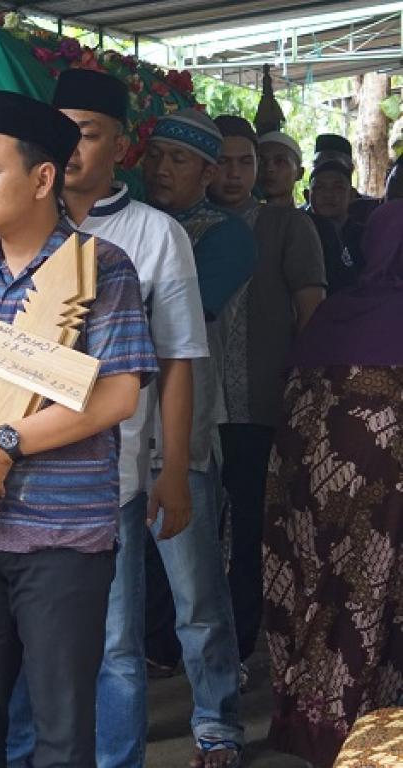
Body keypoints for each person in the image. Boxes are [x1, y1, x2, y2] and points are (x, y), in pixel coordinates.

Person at [0, 89, 155, 768]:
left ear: (43, 178)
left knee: (61, 731)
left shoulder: (101, 268)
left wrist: (6, 443)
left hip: (65, 539)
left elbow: (117, 396)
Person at [3, 69, 221, 768]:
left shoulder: (155, 235)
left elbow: (179, 360)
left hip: (116, 472)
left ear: (121, 146)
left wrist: (175, 469)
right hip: (20, 471)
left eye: (89, 134)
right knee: (24, 640)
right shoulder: (13, 227)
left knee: (117, 646)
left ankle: (129, 756)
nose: (71, 147)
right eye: (60, 132)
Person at [262, 200, 403, 767]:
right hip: (383, 508)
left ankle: (321, 727)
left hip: (312, 503)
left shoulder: (331, 316)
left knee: (325, 606)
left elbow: (293, 425)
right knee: (377, 608)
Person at [141, 109, 256, 766]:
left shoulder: (226, 237)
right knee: (113, 601)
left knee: (197, 596)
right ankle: (116, 723)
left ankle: (217, 722)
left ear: (209, 173)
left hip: (181, 440)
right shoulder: (125, 220)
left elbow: (169, 316)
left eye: (178, 159)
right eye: (155, 154)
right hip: (106, 437)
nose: (161, 168)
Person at [210, 114, 326, 672]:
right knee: (196, 531)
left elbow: (312, 316)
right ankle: (179, 644)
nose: (234, 174)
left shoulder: (285, 226)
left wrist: (303, 398)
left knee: (251, 530)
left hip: (260, 405)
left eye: (246, 163)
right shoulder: (184, 226)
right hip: (193, 408)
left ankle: (238, 643)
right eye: (223, 162)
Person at [307, 160, 365, 294]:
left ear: (352, 195)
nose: (328, 195)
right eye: (320, 188)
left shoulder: (366, 235)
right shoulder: (298, 233)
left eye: (338, 188)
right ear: (307, 196)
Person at [256, 131, 304, 209]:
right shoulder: (241, 215)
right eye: (261, 162)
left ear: (300, 173)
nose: (269, 168)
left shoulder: (307, 217)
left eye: (280, 161)